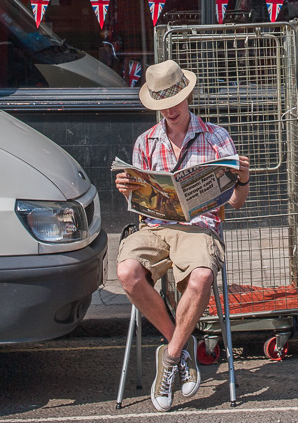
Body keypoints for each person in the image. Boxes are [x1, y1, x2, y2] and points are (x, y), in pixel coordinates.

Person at [114, 59, 250, 412]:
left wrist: (243, 179)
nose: (169, 111)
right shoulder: (145, 142)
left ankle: (171, 358)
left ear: (187, 96)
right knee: (127, 272)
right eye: (161, 105)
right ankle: (181, 346)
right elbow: (140, 205)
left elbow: (235, 202)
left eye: (174, 102)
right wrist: (127, 188)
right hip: (155, 228)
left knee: (203, 273)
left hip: (199, 228)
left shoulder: (217, 137)